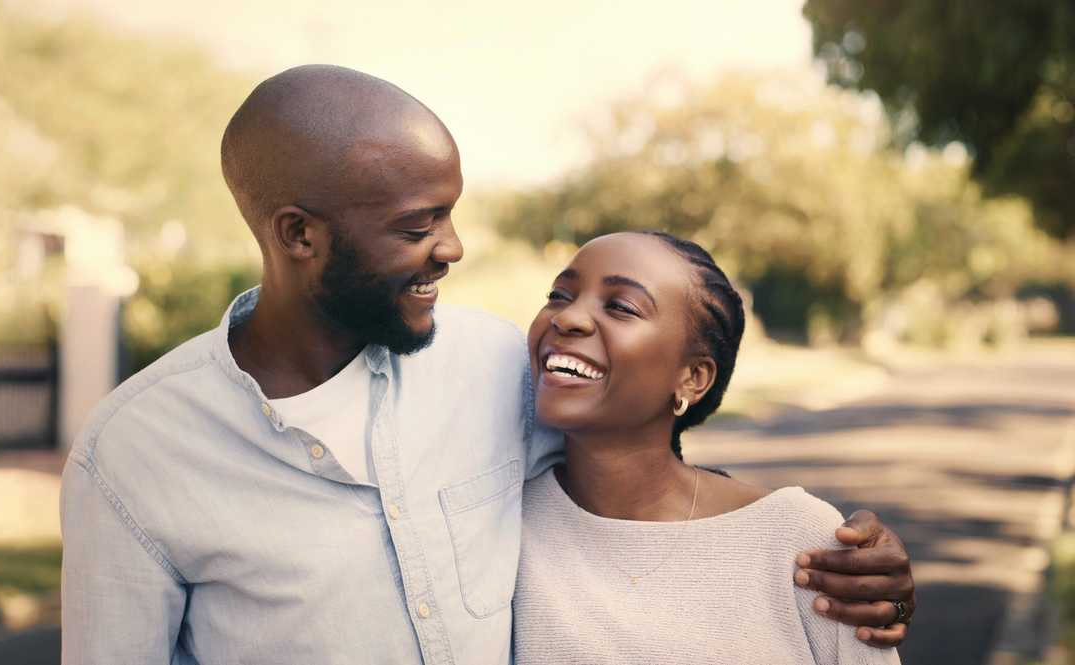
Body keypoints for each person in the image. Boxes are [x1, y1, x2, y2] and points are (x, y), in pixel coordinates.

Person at [60, 65, 915, 664]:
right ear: (298, 235)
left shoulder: (498, 364)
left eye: (452, 214)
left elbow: (643, 473)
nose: (454, 248)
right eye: (416, 226)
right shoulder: (135, 453)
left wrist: (844, 558)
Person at [513, 231, 904, 664]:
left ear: (693, 378)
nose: (568, 318)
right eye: (559, 294)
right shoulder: (497, 522)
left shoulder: (797, 541)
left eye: (622, 307)